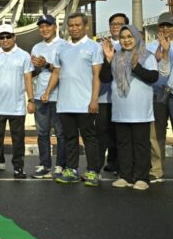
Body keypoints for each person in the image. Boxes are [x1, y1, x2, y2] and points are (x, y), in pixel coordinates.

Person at [42, 12, 102, 187]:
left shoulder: (94, 47)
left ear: (86, 26)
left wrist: (94, 100)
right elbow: (56, 72)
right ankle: (72, 170)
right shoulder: (62, 48)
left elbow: (96, 76)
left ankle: (93, 171)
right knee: (70, 138)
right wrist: (47, 92)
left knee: (89, 138)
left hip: (85, 103)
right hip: (65, 103)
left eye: (78, 25)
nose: (74, 28)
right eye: (71, 25)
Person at [100, 25, 158, 190]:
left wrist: (136, 67)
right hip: (121, 109)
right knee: (123, 143)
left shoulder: (147, 55)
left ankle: (142, 177)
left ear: (136, 37)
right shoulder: (116, 56)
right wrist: (108, 60)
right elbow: (105, 78)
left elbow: (153, 77)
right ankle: (125, 176)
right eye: (123, 37)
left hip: (140, 111)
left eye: (129, 36)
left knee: (141, 144)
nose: (126, 40)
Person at [0, 24, 34, 179]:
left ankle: (18, 168)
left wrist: (31, 100)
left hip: (17, 106)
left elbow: (28, 78)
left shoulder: (24, 55)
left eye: (8, 36)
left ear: (14, 37)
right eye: (2, 37)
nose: (5, 40)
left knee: (18, 140)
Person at [30, 14, 66, 179]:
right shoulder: (36, 47)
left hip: (59, 96)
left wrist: (46, 64)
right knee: (42, 133)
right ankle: (45, 165)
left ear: (55, 27)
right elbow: (32, 73)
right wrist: (37, 67)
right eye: (41, 26)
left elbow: (64, 71)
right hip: (40, 95)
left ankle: (61, 165)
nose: (44, 29)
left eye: (48, 26)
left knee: (60, 133)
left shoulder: (64, 45)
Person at [96, 13, 128, 175]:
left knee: (119, 133)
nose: (116, 26)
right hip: (103, 98)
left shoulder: (129, 45)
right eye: (113, 24)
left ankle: (117, 164)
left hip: (122, 98)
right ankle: (96, 167)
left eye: (119, 24)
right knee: (102, 133)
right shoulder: (100, 45)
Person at [145, 12, 173, 184]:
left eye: (169, 26)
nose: (165, 29)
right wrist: (161, 51)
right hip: (158, 93)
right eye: (162, 25)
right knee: (155, 134)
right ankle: (156, 169)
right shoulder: (150, 47)